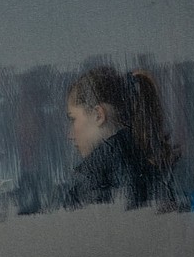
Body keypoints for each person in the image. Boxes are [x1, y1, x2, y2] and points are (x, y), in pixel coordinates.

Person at [65, 65, 179, 210]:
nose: (70, 135)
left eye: (73, 118)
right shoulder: (154, 168)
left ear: (98, 115)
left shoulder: (94, 183)